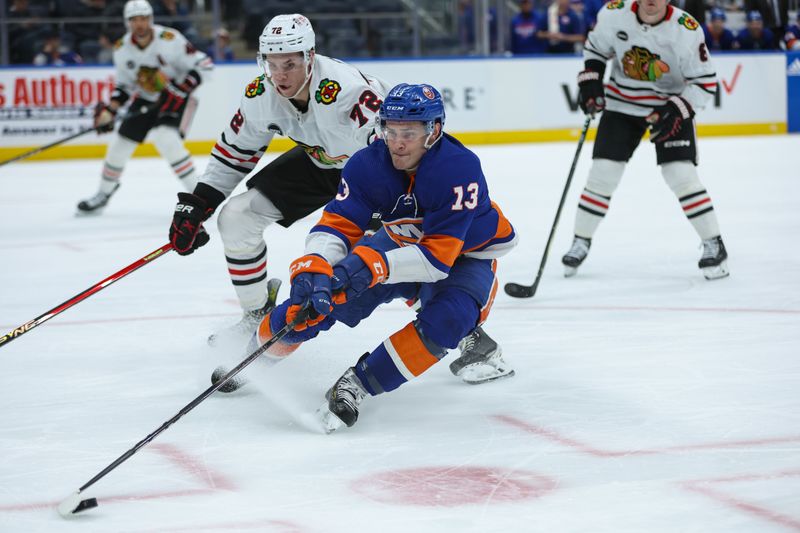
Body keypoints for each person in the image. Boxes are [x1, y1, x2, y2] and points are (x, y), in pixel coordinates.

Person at [167, 15, 514, 384]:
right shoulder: (260, 94)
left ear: (310, 57)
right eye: (272, 64)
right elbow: (234, 151)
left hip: (378, 173)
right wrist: (199, 203)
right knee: (236, 217)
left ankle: (464, 327)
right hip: (321, 162)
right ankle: (256, 314)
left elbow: (397, 155)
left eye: (290, 64)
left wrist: (380, 229)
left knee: (382, 260)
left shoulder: (348, 93)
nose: (280, 75)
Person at [220, 83, 518, 431]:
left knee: (449, 318)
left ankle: (358, 385)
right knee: (314, 300)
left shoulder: (458, 168)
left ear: (434, 131)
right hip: (398, 241)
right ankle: (254, 358)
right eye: (391, 131)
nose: (397, 142)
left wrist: (370, 267)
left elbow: (436, 261)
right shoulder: (368, 164)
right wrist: (317, 264)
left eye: (409, 133)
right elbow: (338, 224)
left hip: (465, 255)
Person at [562, 0, 730, 280]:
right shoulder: (614, 13)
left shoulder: (686, 29)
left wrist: (677, 109)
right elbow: (596, 49)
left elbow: (705, 82)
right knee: (603, 173)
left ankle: (714, 243)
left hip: (668, 107)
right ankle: (581, 240)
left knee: (680, 174)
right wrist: (591, 81)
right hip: (621, 105)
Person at [76, 0, 213, 213]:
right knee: (119, 146)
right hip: (146, 98)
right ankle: (103, 193)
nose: (139, 24)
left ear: (151, 19)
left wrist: (184, 86)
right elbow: (124, 86)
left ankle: (199, 197)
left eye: (143, 19)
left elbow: (204, 64)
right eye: (134, 20)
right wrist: (110, 111)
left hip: (177, 97)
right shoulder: (122, 48)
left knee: (166, 139)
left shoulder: (170, 38)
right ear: (127, 22)